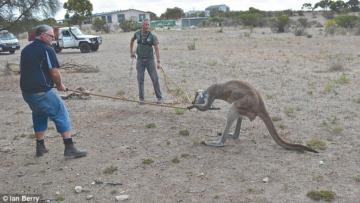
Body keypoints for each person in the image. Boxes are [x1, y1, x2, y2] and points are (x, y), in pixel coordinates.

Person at [20, 24, 87, 158]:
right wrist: (60, 85)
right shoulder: (46, 49)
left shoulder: (25, 50)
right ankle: (69, 149)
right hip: (41, 91)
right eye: (51, 36)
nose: (54, 38)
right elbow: (54, 72)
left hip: (27, 93)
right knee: (61, 112)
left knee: (39, 114)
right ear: (43, 35)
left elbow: (29, 70)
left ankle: (40, 147)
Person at [130, 19, 163, 104]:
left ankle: (159, 98)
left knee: (155, 78)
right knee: (140, 79)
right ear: (142, 26)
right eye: (145, 25)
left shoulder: (152, 36)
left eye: (148, 25)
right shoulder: (137, 33)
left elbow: (156, 48)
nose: (147, 26)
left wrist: (158, 62)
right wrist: (132, 52)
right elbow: (132, 40)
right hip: (140, 60)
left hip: (150, 60)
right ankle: (141, 99)